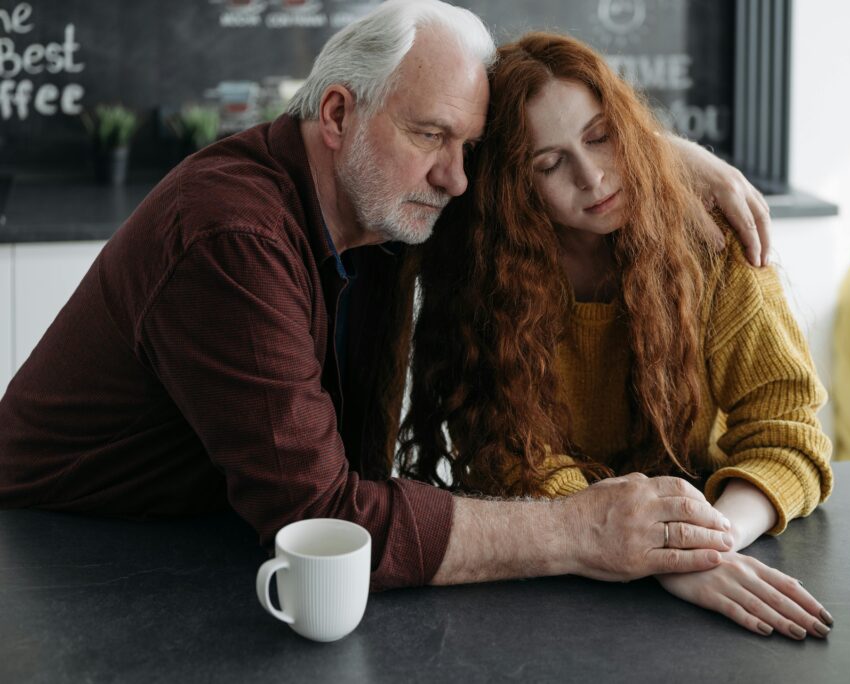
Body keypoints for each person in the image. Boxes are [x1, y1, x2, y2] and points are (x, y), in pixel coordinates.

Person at [0, 1, 766, 592]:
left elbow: (538, 128)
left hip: (202, 542)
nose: (456, 178)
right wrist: (584, 531)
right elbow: (327, 528)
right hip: (59, 559)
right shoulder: (231, 237)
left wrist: (660, 155)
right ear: (337, 114)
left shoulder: (386, 196)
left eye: (465, 146)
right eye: (432, 136)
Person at [399, 32, 834, 639]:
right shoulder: (490, 278)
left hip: (717, 551)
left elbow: (787, 432)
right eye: (549, 164)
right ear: (513, 186)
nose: (593, 177)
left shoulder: (711, 242)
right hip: (557, 584)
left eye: (600, 136)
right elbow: (513, 464)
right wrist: (636, 549)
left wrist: (700, 547)